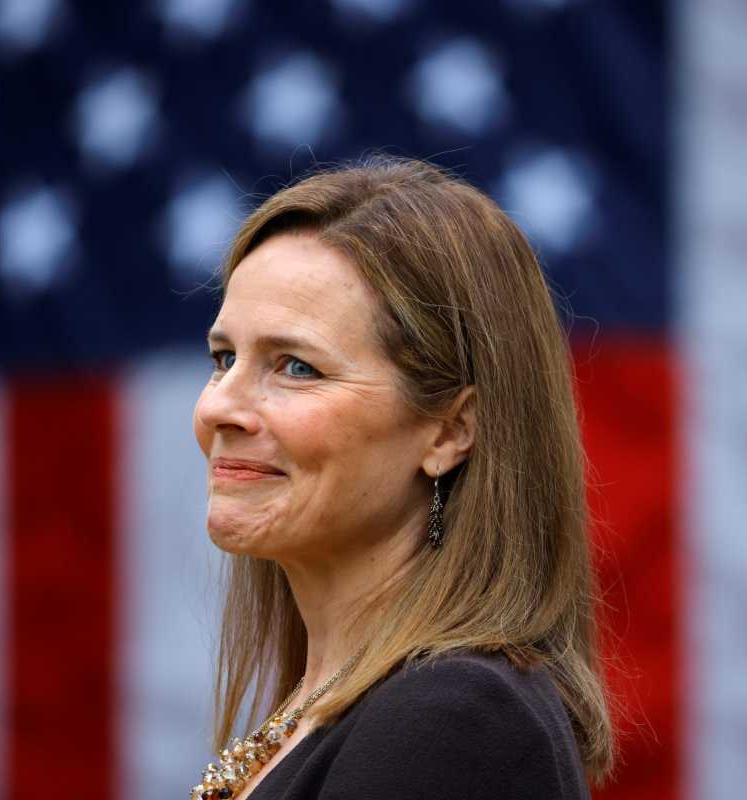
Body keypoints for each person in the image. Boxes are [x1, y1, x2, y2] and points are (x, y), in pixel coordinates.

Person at [190, 156, 614, 800]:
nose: (219, 406)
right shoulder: (344, 704)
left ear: (448, 431)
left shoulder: (457, 720)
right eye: (225, 358)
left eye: (296, 367)